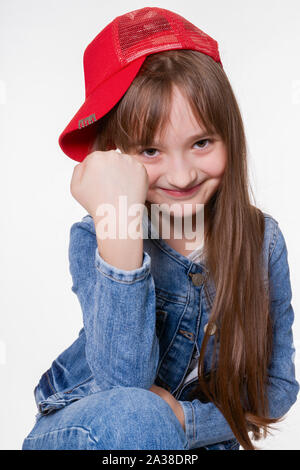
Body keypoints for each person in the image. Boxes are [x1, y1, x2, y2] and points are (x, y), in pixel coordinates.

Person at [22, 6, 299, 451]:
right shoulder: (96, 235)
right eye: (151, 151)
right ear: (116, 153)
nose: (183, 174)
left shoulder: (262, 241)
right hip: (91, 431)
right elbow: (125, 383)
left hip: (184, 444)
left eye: (202, 143)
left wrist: (186, 420)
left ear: (231, 135)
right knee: (139, 413)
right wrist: (119, 216)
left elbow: (277, 385)